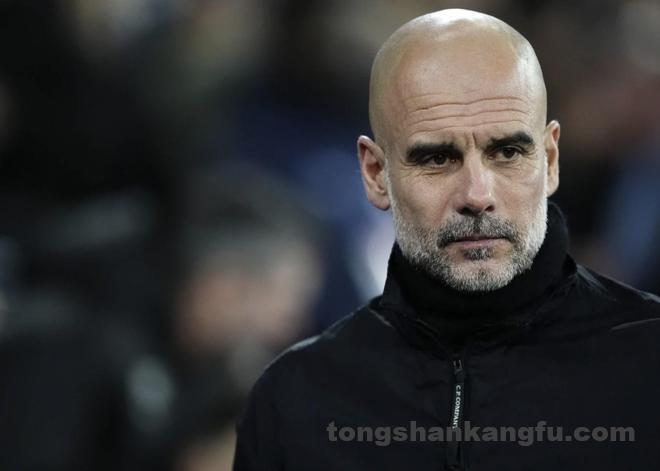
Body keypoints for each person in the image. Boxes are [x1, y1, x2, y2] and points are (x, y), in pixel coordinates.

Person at [232, 9, 660, 471]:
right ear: (375, 174)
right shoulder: (295, 402)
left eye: (507, 152)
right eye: (437, 158)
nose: (477, 195)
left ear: (550, 160)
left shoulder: (650, 364)